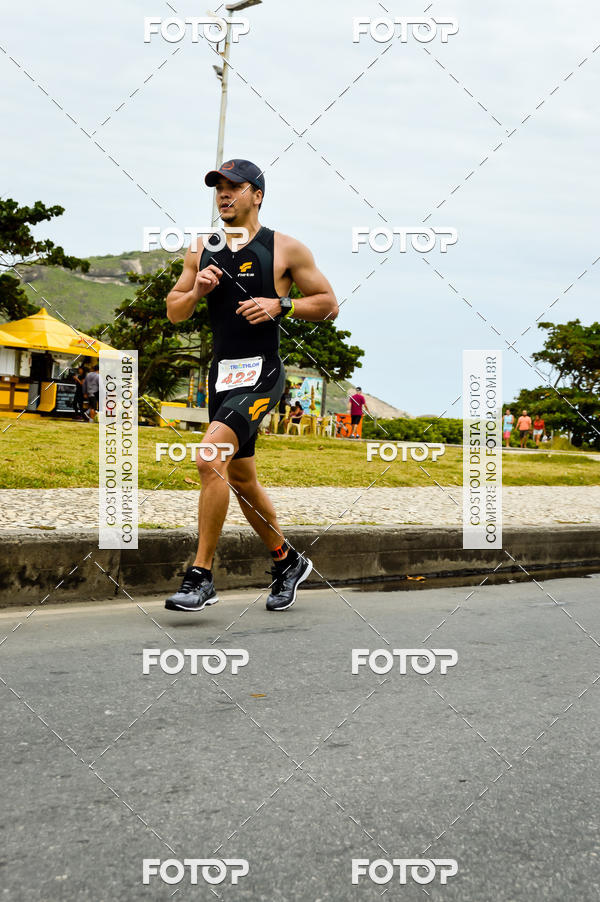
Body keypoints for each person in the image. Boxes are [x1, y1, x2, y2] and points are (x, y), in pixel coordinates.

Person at [164, 158, 338, 613]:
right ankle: (286, 560)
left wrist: (280, 304)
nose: (224, 194)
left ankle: (200, 576)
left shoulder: (285, 249)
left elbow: (328, 304)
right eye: (218, 187)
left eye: (234, 187)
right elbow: (174, 311)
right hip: (221, 379)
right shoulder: (201, 249)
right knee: (239, 478)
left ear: (256, 195)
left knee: (209, 457)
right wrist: (197, 291)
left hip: (263, 374)